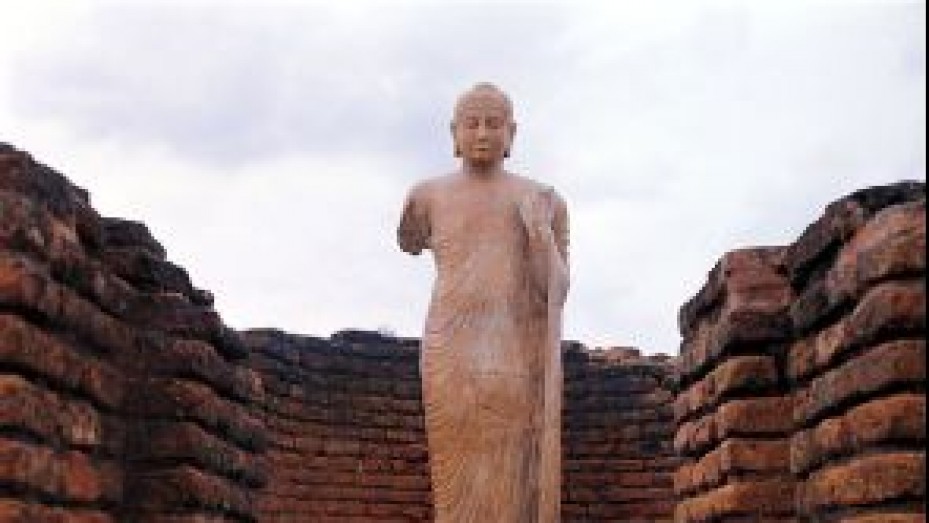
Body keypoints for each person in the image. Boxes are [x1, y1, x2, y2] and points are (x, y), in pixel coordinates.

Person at [397, 82, 569, 522]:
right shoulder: (428, 196)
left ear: (512, 133)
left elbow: (556, 290)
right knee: (453, 477)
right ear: (453, 133)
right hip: (450, 348)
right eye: (471, 124)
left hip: (513, 351)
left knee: (510, 468)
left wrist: (539, 234)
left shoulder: (543, 201)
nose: (482, 133)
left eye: (494, 124)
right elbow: (409, 240)